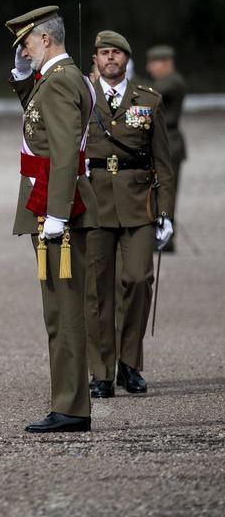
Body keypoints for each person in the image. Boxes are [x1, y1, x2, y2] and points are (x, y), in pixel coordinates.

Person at [5, 5, 97, 433]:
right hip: (49, 205)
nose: (23, 49)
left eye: (26, 41)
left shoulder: (60, 83)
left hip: (55, 209)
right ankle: (69, 402)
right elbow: (39, 124)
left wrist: (57, 214)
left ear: (45, 39)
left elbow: (62, 153)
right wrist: (24, 79)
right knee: (58, 311)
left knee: (64, 311)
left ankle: (72, 407)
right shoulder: (55, 81)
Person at [84, 31, 174, 398]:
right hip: (95, 205)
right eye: (104, 53)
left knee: (138, 280)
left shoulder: (148, 100)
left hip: (138, 206)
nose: (110, 59)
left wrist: (165, 212)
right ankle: (102, 372)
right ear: (95, 59)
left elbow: (163, 163)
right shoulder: (82, 98)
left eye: (116, 53)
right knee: (97, 290)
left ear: (126, 59)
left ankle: (129, 363)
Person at [145, 45, 186, 252]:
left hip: (170, 143)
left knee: (167, 190)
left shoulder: (173, 82)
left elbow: (152, 94)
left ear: (166, 63)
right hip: (163, 141)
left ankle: (166, 233)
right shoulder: (165, 82)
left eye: (153, 63)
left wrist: (127, 79)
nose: (150, 68)